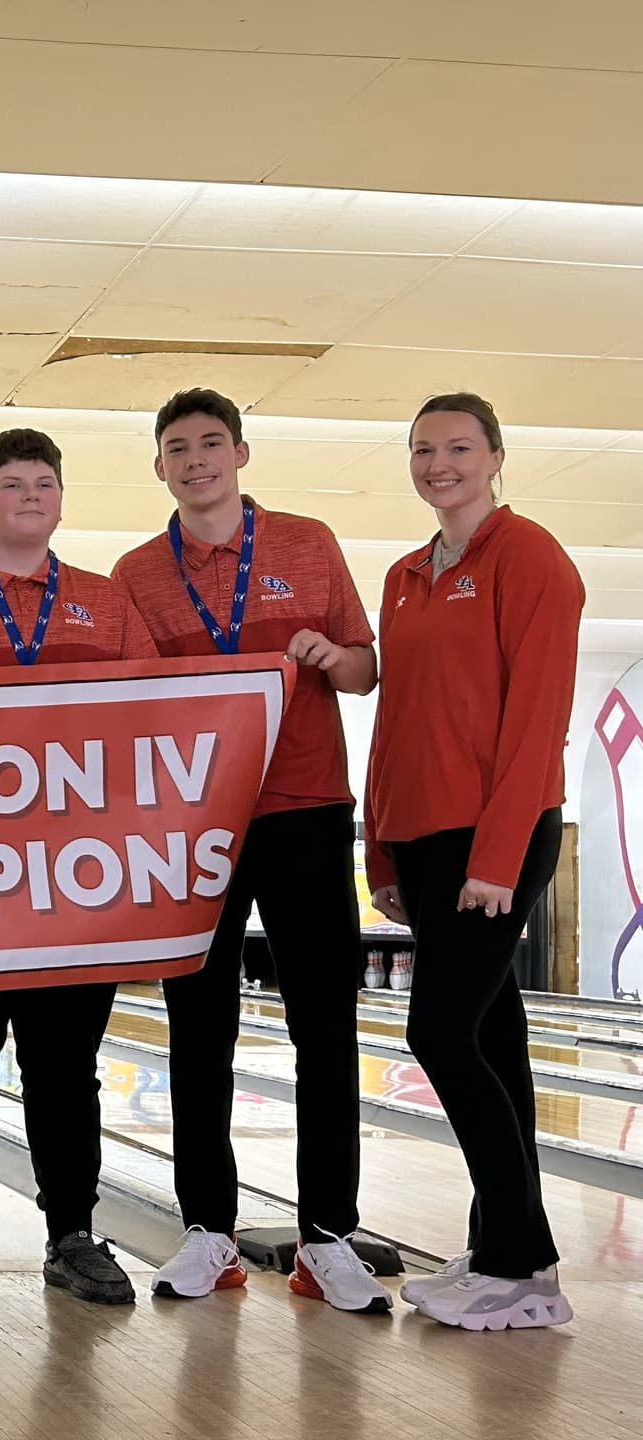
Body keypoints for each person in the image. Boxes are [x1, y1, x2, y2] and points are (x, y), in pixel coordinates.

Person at [112, 388, 389, 1313]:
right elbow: (136, 711)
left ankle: (329, 1238)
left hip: (307, 809)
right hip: (199, 821)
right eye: (178, 448)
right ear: (159, 467)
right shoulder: (137, 574)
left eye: (211, 444)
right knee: (199, 1029)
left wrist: (327, 654)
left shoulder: (307, 544)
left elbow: (365, 667)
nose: (196, 460)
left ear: (240, 454)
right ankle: (208, 1234)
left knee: (326, 1027)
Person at [0, 429, 155, 1307]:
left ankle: (72, 1235)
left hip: (72, 882)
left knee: (64, 1065)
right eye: (11, 484)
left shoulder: (108, 601)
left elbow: (156, 722)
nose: (31, 495)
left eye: (45, 482)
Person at [366, 393, 583, 1331]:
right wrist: (379, 849)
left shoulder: (531, 558)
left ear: (496, 456)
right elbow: (397, 719)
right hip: (422, 834)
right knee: (493, 1041)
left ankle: (522, 1259)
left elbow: (538, 718)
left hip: (495, 833)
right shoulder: (407, 573)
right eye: (423, 450)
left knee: (441, 1035)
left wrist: (496, 860)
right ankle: (500, 1251)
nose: (438, 463)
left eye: (458, 447)